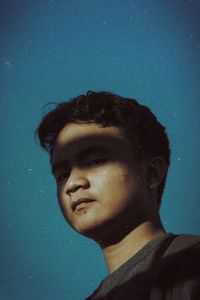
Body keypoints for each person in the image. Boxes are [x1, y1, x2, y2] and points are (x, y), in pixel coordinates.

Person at [36, 91, 200, 300]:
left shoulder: (190, 262)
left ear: (152, 173)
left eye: (95, 161)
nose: (73, 183)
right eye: (62, 175)